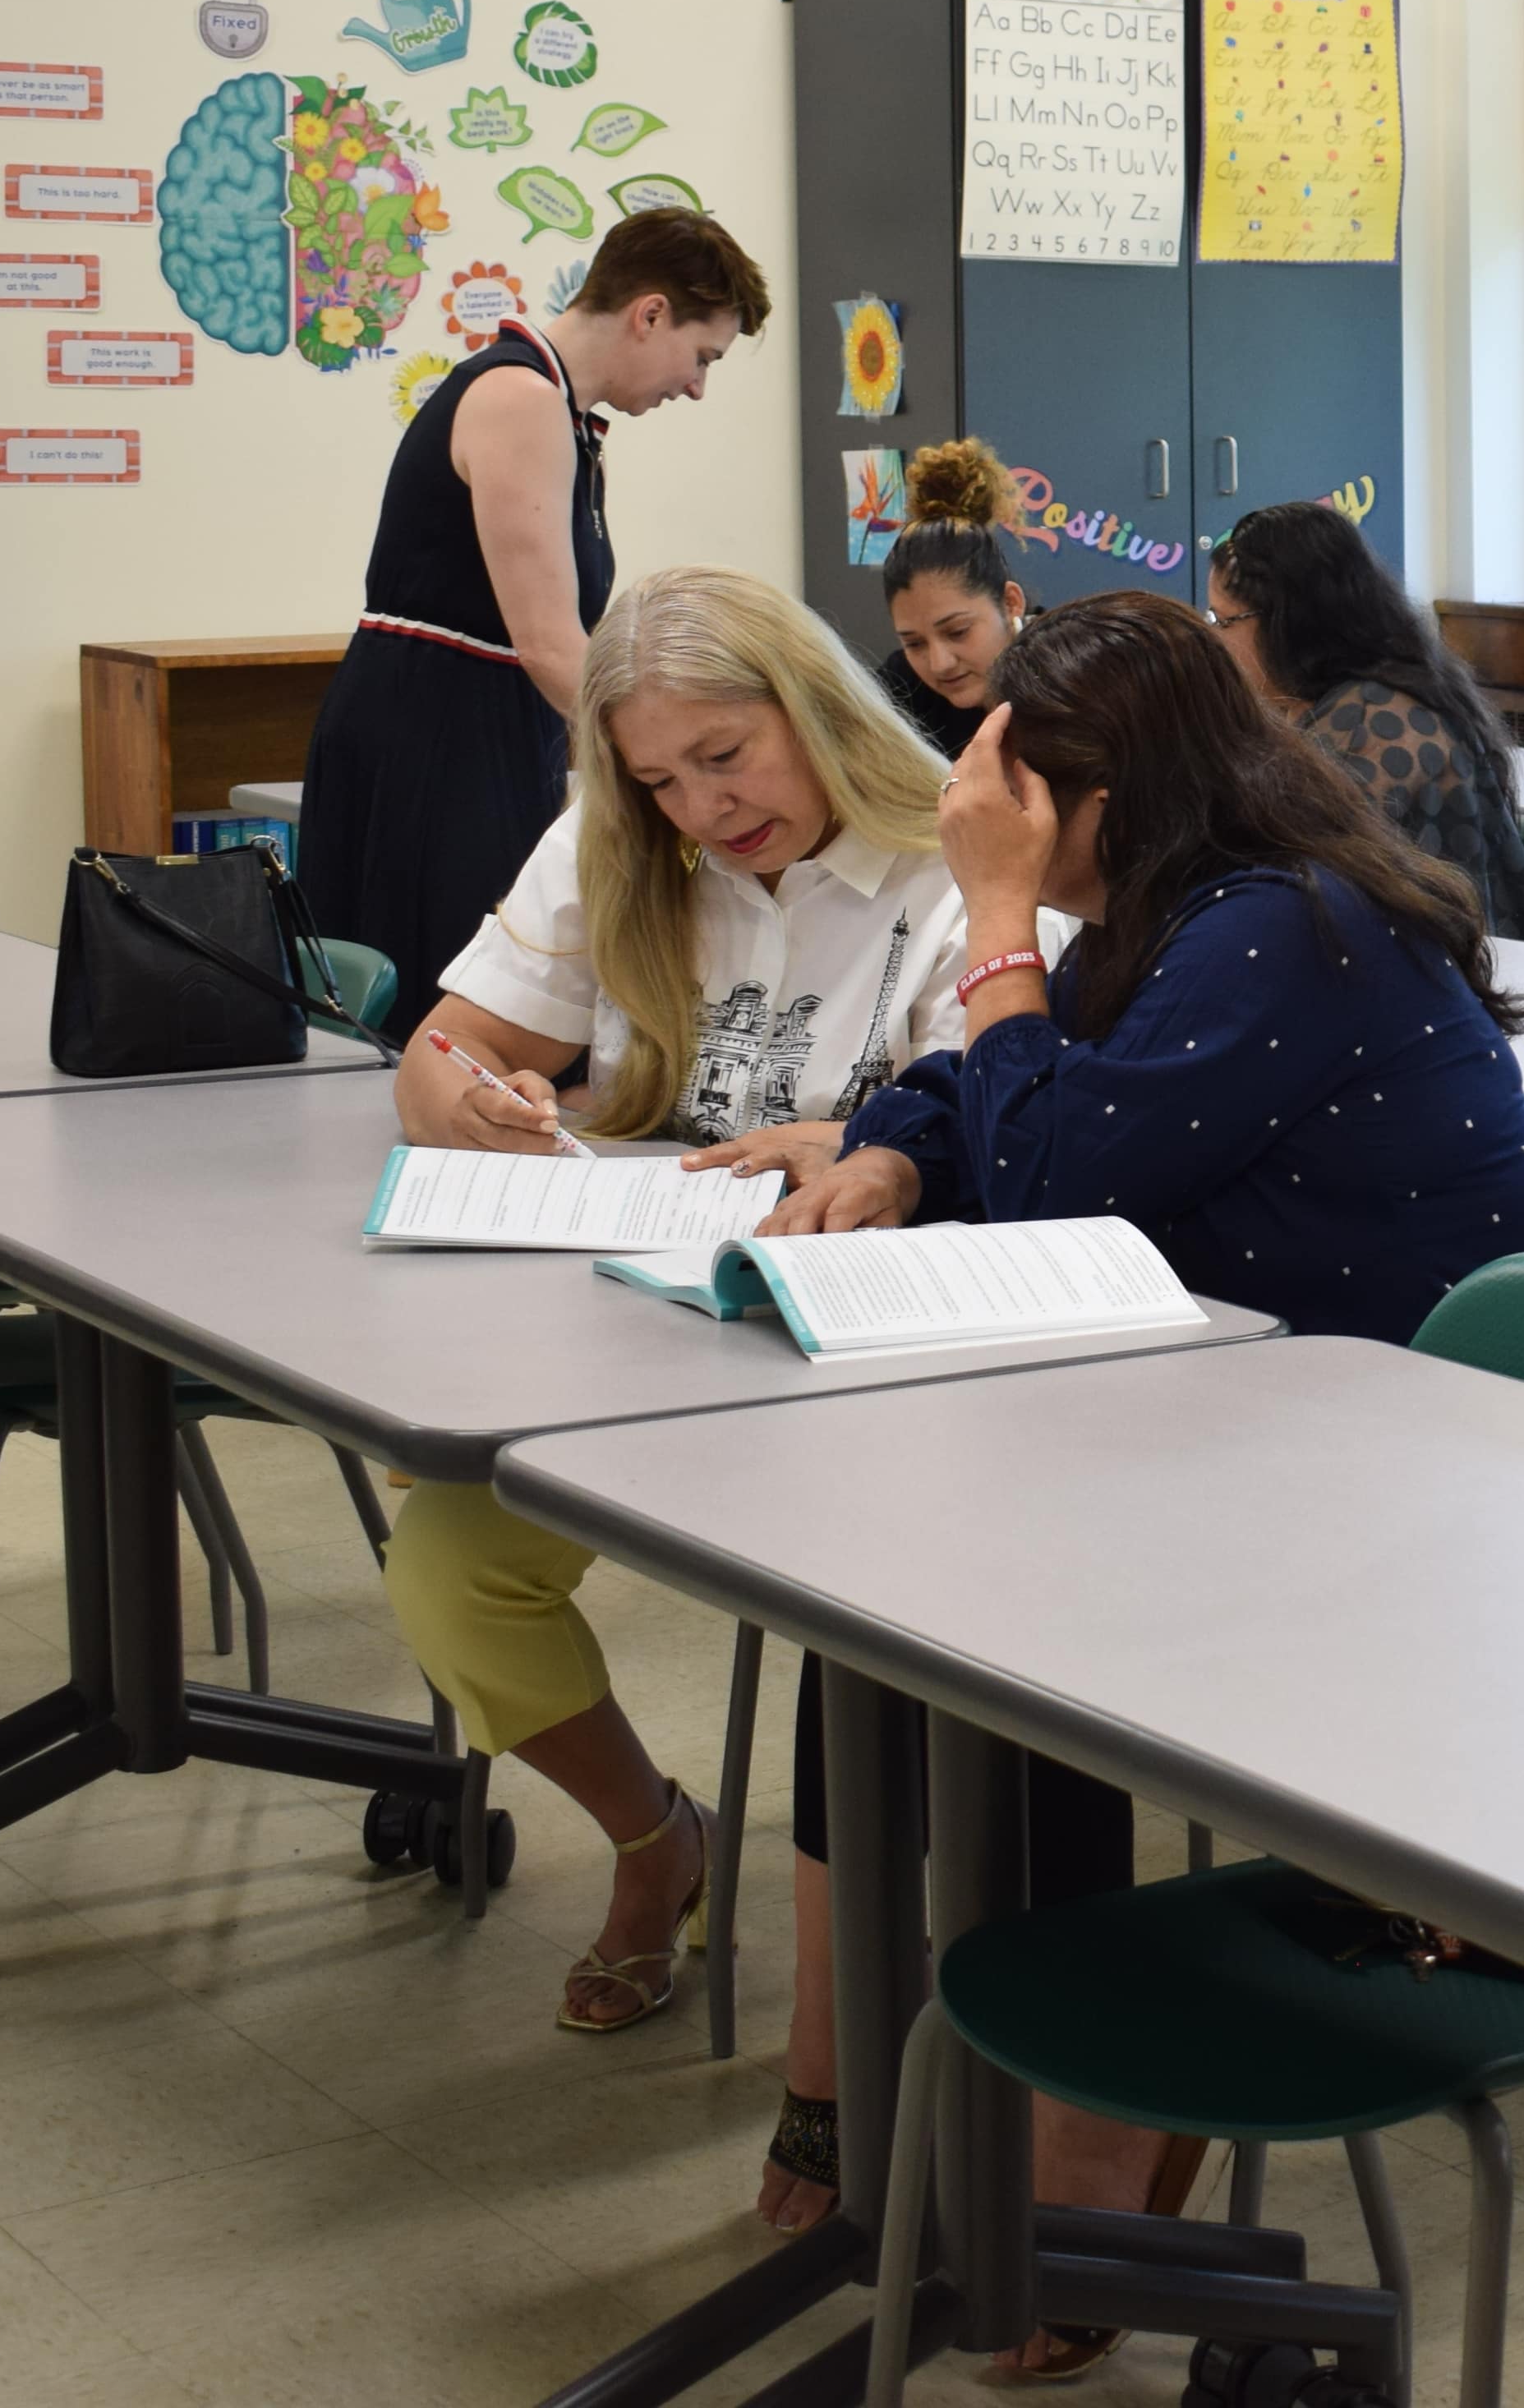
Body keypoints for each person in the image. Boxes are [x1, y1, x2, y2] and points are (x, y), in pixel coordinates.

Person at [758, 591, 1524, 2355]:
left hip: (1414, 1488)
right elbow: (992, 1093)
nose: (991, 819)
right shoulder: (1173, 909)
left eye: (1017, 790)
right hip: (1245, 1425)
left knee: (1006, 1623)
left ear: (1106, 791)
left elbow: (1056, 1163)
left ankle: (1086, 2149)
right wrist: (894, 1155)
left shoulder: (1285, 927)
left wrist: (988, 921)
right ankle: (978, 2123)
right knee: (901, 1614)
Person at [375, 564, 988, 2056]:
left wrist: (871, 1152)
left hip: (881, 1367)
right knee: (453, 1562)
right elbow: (442, 1047)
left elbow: (1007, 1118)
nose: (700, 809)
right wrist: (463, 1092)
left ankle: (882, 2032)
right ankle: (657, 1839)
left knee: (870, 1627)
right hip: (642, 1323)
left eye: (726, 756)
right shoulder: (615, 844)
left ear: (815, 708)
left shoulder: (955, 861)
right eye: (659, 779)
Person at [297, 210, 769, 1034]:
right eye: (702, 358)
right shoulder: (518, 398)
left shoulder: (573, 425)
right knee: (451, 1007)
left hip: (484, 729)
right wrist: (665, 767)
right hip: (434, 736)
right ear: (649, 312)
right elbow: (551, 644)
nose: (696, 386)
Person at [1204, 498, 1524, 948]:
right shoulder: (1316, 701)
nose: (1213, 639)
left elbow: (1298, 874)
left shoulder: (1379, 719)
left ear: (1287, 622)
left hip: (1430, 972)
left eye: (1223, 621)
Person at [870, 435, 1031, 763]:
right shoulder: (904, 686)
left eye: (957, 631)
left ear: (1011, 603)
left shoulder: (1070, 678)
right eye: (914, 643)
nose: (939, 663)